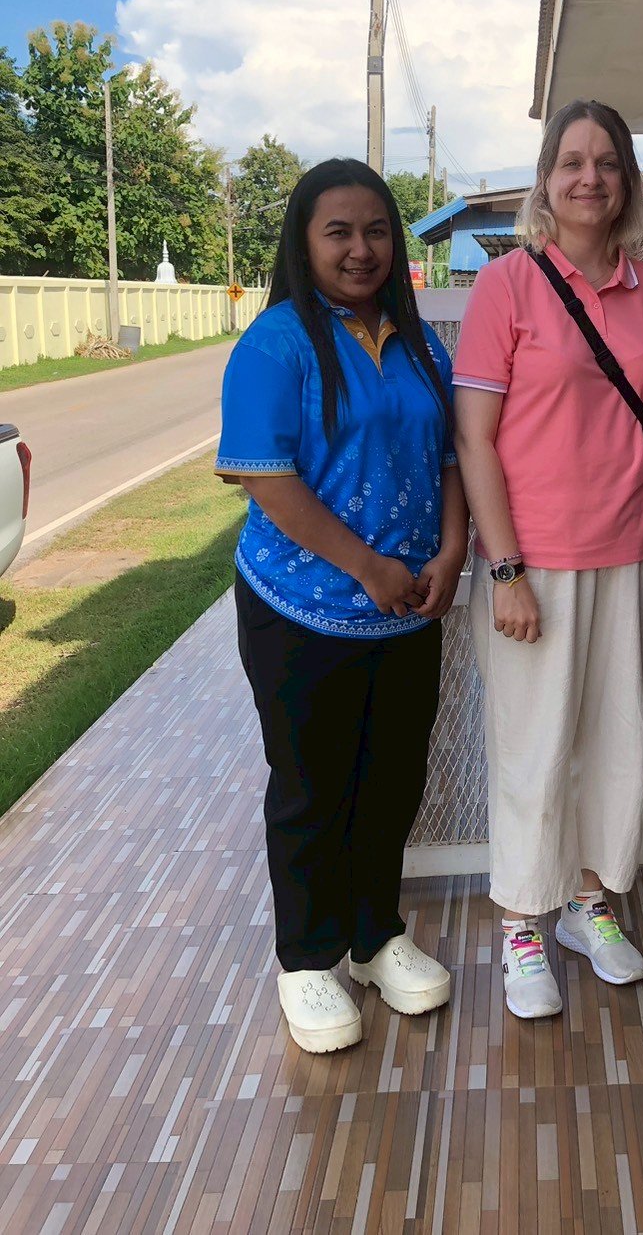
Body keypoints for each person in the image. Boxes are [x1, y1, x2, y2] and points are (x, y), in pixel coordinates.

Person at [453, 99, 643, 1020]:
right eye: (571, 161)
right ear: (545, 179)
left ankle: (586, 903)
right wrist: (504, 569)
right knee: (533, 746)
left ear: (628, 182)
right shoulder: (509, 287)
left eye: (607, 162)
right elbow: (476, 440)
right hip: (535, 562)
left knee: (619, 743)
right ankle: (521, 924)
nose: (589, 178)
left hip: (637, 552)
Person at [214, 159, 467, 1054]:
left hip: (407, 609)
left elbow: (449, 459)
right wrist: (367, 566)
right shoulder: (277, 342)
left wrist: (452, 550)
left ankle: (375, 935)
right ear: (305, 241)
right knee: (312, 784)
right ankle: (309, 959)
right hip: (302, 608)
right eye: (339, 232)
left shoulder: (419, 342)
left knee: (393, 777)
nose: (361, 249)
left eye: (376, 231)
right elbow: (263, 475)